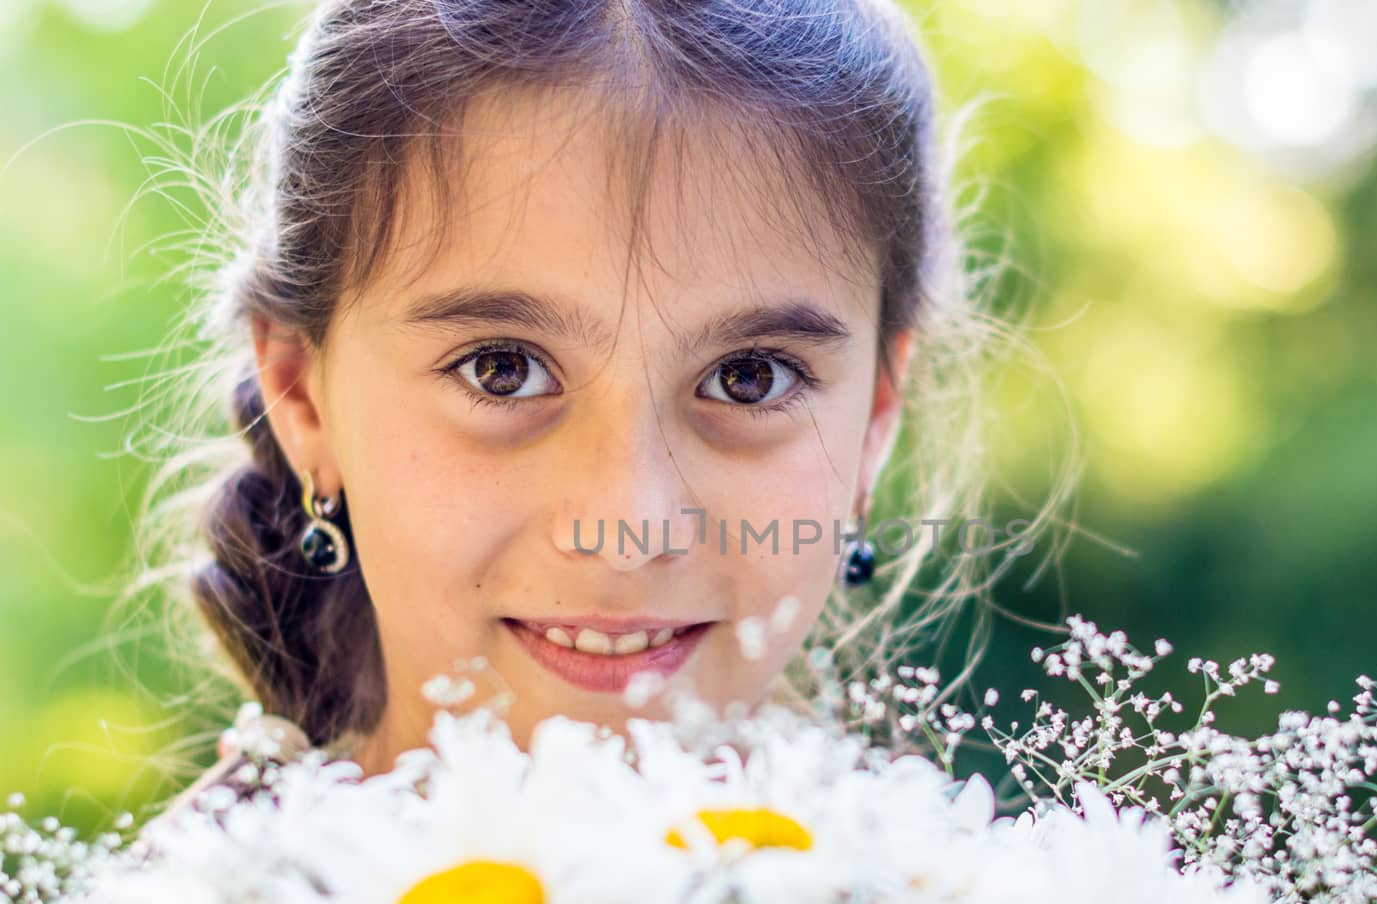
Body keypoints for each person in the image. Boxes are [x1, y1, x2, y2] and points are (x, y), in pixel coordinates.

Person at [132, 0, 1076, 823]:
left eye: (750, 378)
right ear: (304, 399)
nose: (629, 525)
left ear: (874, 422)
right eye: (502, 371)